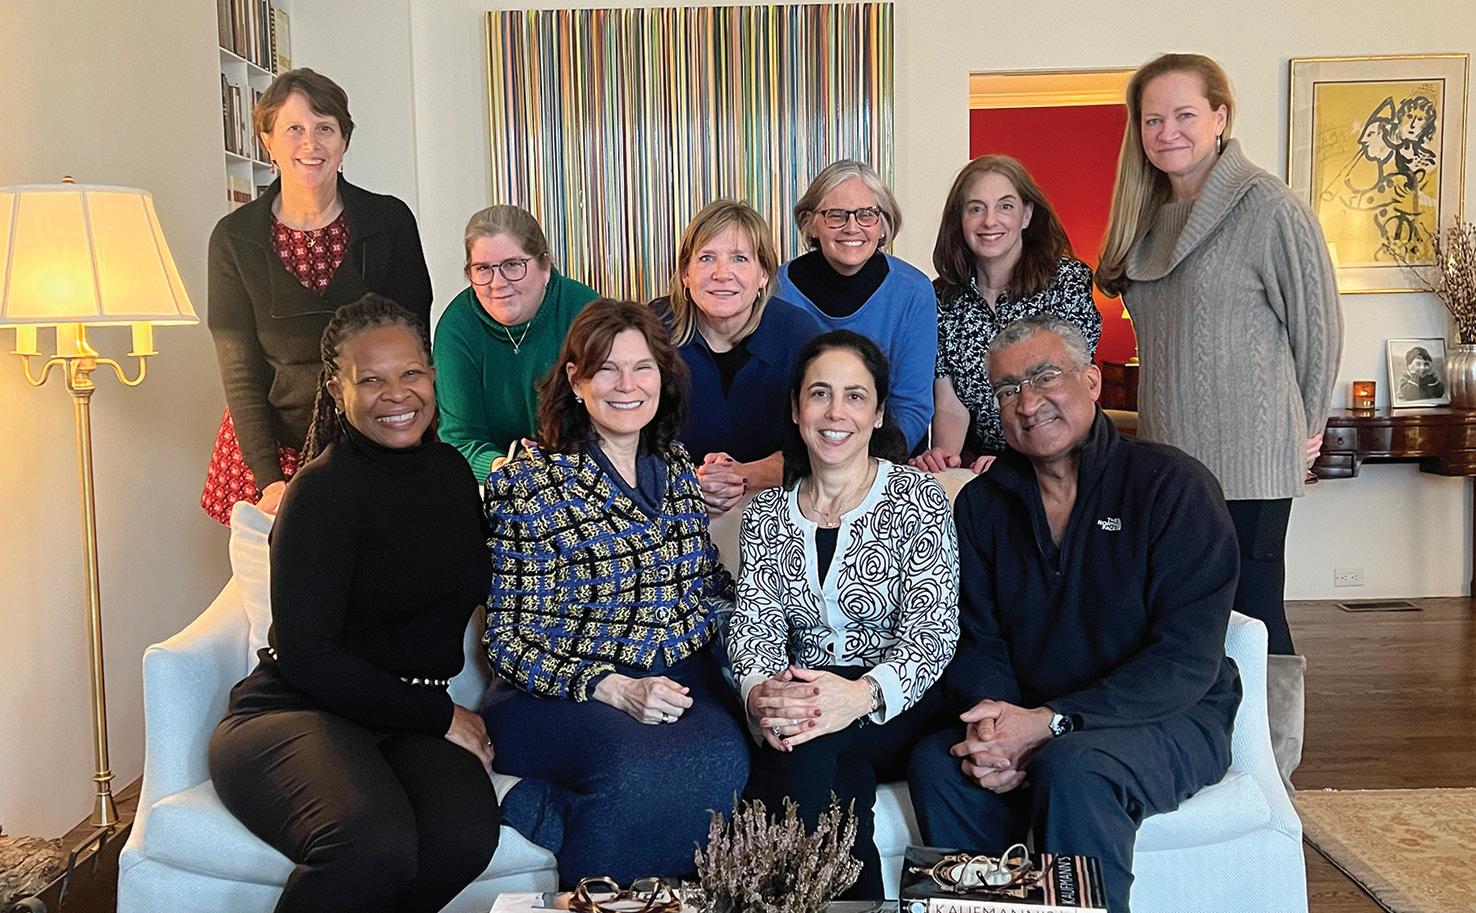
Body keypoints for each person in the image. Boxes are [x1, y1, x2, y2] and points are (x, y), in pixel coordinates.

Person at [907, 315, 1241, 913]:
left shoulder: (1171, 486)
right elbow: (977, 637)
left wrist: (1053, 722)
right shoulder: (982, 504)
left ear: (1090, 381)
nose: (1027, 402)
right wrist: (996, 729)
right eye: (1007, 390)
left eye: (1045, 377)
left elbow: (1184, 662)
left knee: (1074, 769)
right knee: (940, 762)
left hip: (1171, 715)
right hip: (1037, 711)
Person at [1095, 53, 1343, 789]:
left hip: (1251, 455)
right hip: (1171, 458)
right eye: (1153, 119)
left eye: (1184, 115)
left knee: (1254, 610)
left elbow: (1319, 329)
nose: (1167, 131)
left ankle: (1274, 770)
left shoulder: (1270, 207)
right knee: (1183, 613)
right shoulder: (1146, 218)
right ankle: (1206, 753)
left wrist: (1305, 426)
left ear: (1221, 117)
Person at [208, 295, 499, 913]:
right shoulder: (321, 492)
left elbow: (492, 587)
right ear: (337, 391)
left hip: (399, 720)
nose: (397, 394)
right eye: (371, 380)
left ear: (432, 376)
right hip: (295, 712)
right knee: (371, 844)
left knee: (464, 837)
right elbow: (308, 657)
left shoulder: (451, 474)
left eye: (411, 372)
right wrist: (439, 715)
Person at [479, 299, 750, 886]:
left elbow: (708, 584)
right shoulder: (528, 484)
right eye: (606, 369)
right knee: (636, 769)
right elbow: (508, 641)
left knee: (724, 759)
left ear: (663, 377)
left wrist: (771, 641)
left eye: (642, 367)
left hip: (676, 678)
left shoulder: (675, 466)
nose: (627, 385)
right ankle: (591, 886)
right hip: (558, 695)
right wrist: (614, 688)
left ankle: (568, 823)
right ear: (576, 382)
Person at [732, 329, 958, 898]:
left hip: (900, 700)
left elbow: (933, 632)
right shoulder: (767, 513)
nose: (836, 413)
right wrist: (762, 696)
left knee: (804, 751)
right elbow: (755, 626)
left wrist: (858, 696)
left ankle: (758, 897)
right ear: (796, 409)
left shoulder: (917, 498)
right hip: (805, 694)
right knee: (839, 780)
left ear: (878, 414)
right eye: (820, 394)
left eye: (855, 396)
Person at [205, 68, 433, 524]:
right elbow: (240, 370)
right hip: (274, 451)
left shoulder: (390, 221)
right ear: (267, 142)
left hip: (377, 438)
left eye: (325, 128)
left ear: (344, 141)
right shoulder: (234, 238)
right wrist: (271, 480)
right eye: (294, 129)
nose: (310, 144)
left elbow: (414, 348)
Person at [913, 155, 1101, 474]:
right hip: (979, 463)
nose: (990, 221)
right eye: (976, 209)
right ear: (959, 220)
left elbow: (1069, 395)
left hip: (1062, 457)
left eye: (1005, 206)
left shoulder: (1067, 282)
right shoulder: (940, 298)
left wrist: (1014, 465)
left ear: (1026, 215)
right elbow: (950, 404)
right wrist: (945, 463)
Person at [652, 200, 823, 515]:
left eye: (739, 258)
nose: (722, 274)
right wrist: (690, 481)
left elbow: (825, 441)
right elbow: (621, 438)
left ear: (764, 274)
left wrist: (743, 475)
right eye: (707, 258)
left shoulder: (798, 334)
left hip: (780, 509)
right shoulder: (651, 331)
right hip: (669, 508)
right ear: (686, 273)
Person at [775, 160, 936, 452]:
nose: (852, 227)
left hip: (887, 454)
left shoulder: (913, 291)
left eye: (866, 214)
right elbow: (775, 398)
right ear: (811, 223)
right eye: (836, 215)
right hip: (797, 455)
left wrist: (861, 465)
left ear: (883, 224)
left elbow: (911, 406)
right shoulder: (776, 289)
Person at [434, 205, 598, 480]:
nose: (497, 283)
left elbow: (615, 416)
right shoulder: (456, 327)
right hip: (498, 480)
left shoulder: (585, 310)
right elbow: (460, 438)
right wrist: (507, 468)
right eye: (483, 269)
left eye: (512, 265)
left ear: (545, 266)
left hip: (584, 469)